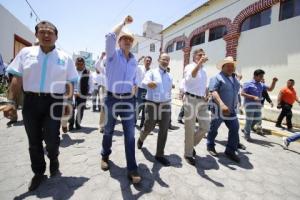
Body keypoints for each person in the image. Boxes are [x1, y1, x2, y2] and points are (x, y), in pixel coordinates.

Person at [3, 21, 78, 191]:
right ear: (36, 34)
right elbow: (16, 78)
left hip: (54, 101)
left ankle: (54, 158)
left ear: (56, 37)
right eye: (42, 32)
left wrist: (67, 102)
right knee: (34, 140)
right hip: (30, 102)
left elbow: (70, 82)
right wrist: (11, 102)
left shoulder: (64, 58)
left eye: (50, 32)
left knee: (52, 138)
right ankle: (38, 172)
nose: (46, 35)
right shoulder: (25, 53)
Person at [100, 15, 141, 183]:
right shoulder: (112, 55)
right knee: (108, 130)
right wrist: (123, 23)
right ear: (119, 42)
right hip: (111, 99)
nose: (127, 41)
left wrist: (133, 93)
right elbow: (109, 35)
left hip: (128, 101)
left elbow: (135, 80)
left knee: (130, 135)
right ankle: (104, 156)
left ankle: (132, 168)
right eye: (124, 38)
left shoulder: (133, 61)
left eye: (130, 40)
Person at [137, 53, 173, 166]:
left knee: (164, 129)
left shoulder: (169, 76)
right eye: (163, 59)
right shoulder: (151, 72)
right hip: (152, 103)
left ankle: (159, 154)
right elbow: (143, 82)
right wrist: (149, 83)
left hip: (165, 105)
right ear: (158, 60)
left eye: (167, 60)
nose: (165, 61)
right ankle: (141, 138)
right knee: (149, 125)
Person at [206, 57, 242, 163]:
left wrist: (238, 104)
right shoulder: (216, 77)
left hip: (231, 110)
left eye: (232, 66)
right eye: (228, 66)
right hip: (218, 109)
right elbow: (213, 92)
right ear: (223, 67)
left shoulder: (234, 78)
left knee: (235, 128)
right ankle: (210, 145)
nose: (231, 68)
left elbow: (235, 91)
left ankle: (230, 150)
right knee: (213, 129)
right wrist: (221, 104)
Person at [183, 49, 210, 165]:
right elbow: (192, 76)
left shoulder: (204, 71)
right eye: (200, 55)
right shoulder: (189, 66)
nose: (202, 56)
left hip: (202, 100)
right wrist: (199, 63)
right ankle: (188, 153)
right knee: (190, 127)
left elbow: (205, 85)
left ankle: (189, 143)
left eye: (204, 55)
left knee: (205, 126)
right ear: (194, 56)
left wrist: (206, 93)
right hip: (191, 99)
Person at [241, 69, 277, 141]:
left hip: (258, 105)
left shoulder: (261, 84)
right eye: (260, 76)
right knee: (249, 120)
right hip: (249, 105)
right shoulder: (248, 83)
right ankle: (247, 135)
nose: (262, 77)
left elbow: (270, 89)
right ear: (255, 76)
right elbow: (242, 93)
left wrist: (274, 82)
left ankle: (246, 129)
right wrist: (253, 97)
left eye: (262, 76)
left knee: (257, 119)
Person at [68, 57, 93, 131]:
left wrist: (89, 92)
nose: (80, 65)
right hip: (72, 93)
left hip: (82, 94)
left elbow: (91, 83)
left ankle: (78, 124)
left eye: (81, 64)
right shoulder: (72, 71)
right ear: (75, 64)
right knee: (70, 109)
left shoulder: (88, 72)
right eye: (78, 64)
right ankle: (71, 124)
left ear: (84, 64)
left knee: (80, 110)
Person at [135, 56, 152, 129]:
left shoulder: (151, 71)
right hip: (140, 90)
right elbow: (133, 65)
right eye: (147, 60)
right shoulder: (139, 68)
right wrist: (139, 59)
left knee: (146, 109)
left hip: (148, 91)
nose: (148, 62)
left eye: (149, 61)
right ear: (144, 61)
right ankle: (133, 122)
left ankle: (142, 124)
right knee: (138, 107)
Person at [95, 52, 107, 133]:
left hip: (112, 90)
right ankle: (101, 126)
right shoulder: (103, 69)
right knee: (103, 107)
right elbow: (96, 65)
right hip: (103, 88)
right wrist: (101, 57)